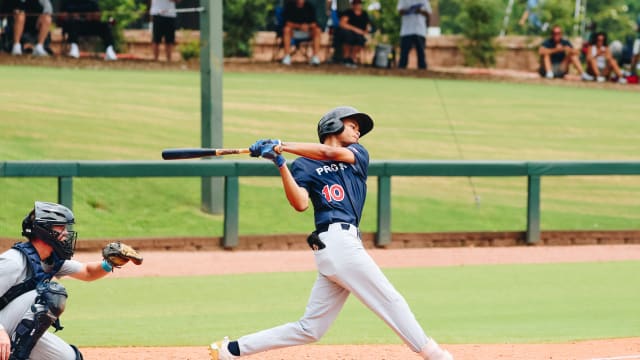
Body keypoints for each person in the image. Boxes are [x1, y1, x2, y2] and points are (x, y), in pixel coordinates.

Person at [208, 106, 454, 360]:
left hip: (343, 245)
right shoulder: (303, 165)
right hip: (335, 244)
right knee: (390, 300)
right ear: (332, 125)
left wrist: (282, 145)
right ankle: (437, 356)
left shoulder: (357, 153)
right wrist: (281, 163)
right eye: (352, 124)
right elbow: (300, 203)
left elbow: (327, 152)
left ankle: (231, 350)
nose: (358, 130)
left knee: (310, 329)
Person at [0, 201, 142, 360]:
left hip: (13, 328)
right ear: (44, 230)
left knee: (69, 358)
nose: (66, 233)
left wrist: (110, 263)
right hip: (1, 328)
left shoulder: (49, 260)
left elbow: (88, 272)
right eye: (61, 227)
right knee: (51, 294)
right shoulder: (13, 262)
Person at [281, 0, 322, 66]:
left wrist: (307, 26)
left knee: (317, 30)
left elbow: (314, 23)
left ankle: (315, 57)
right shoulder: (289, 6)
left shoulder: (309, 7)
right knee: (286, 30)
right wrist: (299, 26)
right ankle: (287, 56)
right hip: (293, 32)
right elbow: (287, 23)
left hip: (307, 32)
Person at [397, 0, 432, 70]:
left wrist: (420, 11)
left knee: (421, 54)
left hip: (420, 30)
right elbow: (400, 11)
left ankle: (423, 73)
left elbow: (428, 14)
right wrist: (409, 10)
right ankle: (401, 72)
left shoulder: (424, 1)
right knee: (404, 54)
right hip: (407, 30)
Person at [337, 0, 371, 67]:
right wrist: (355, 29)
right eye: (356, 4)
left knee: (359, 39)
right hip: (348, 32)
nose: (358, 6)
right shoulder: (348, 12)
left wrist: (366, 32)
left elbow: (368, 26)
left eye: (359, 4)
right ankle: (346, 57)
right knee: (348, 36)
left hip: (359, 34)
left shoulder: (364, 14)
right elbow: (342, 23)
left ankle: (353, 58)